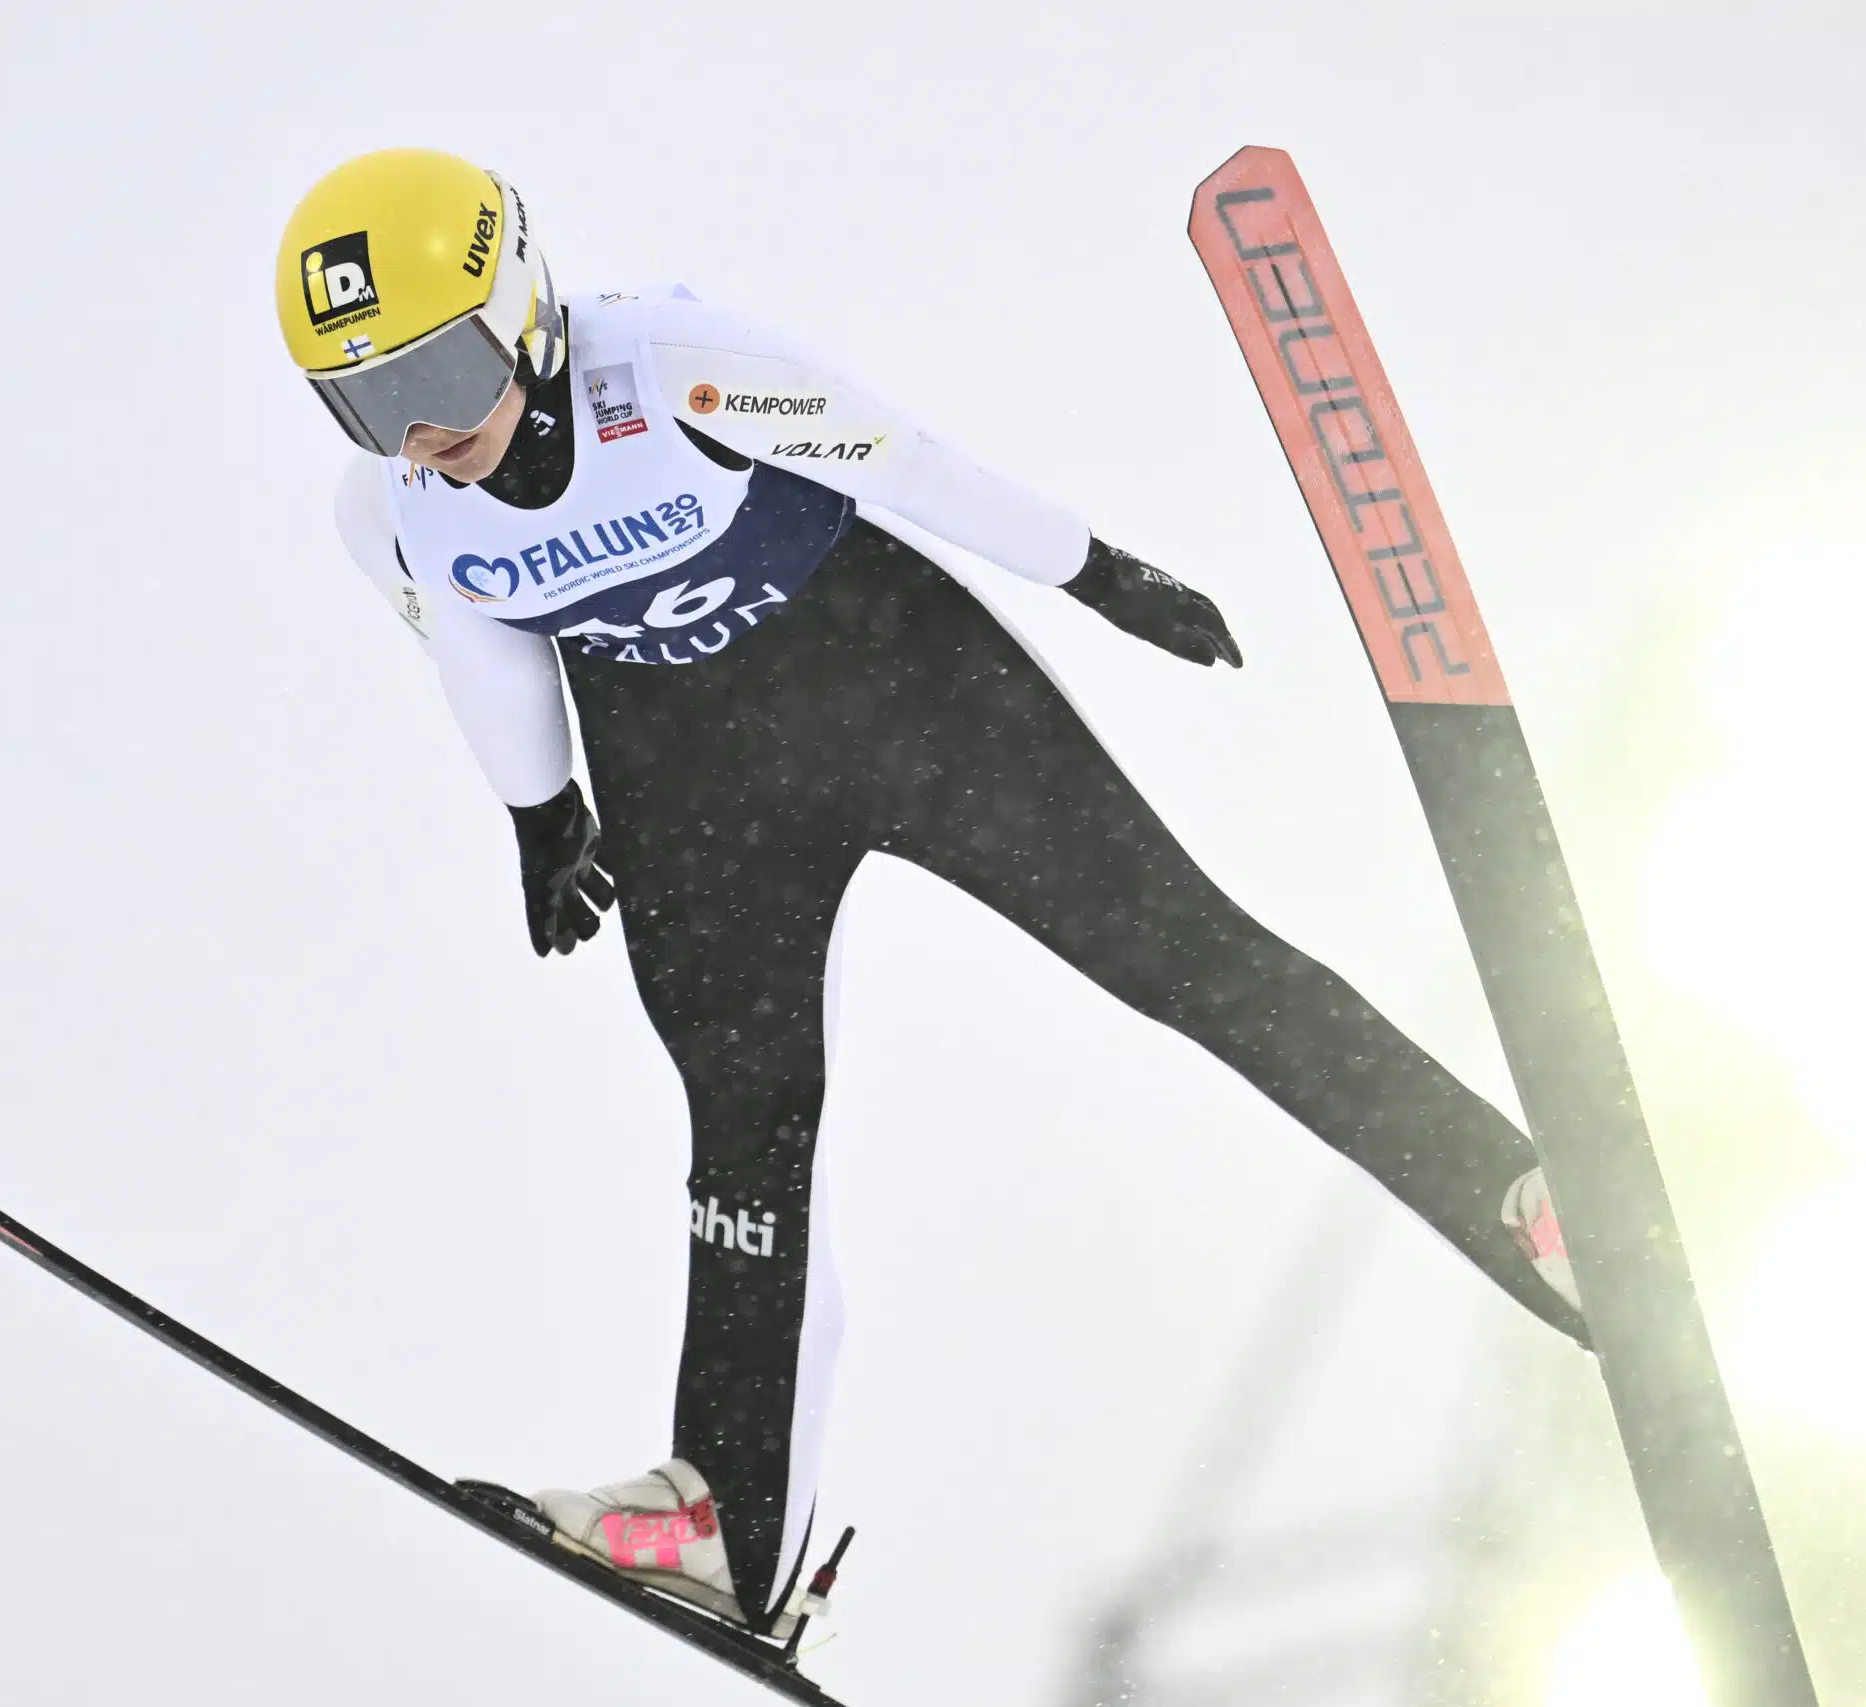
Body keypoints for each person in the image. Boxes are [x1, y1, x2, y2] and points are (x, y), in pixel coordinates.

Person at [272, 147, 1586, 1634]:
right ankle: (724, 1521)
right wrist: (541, 817)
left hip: (899, 700)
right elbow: (478, 639)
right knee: (742, 1122)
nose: (424, 432)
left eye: (439, 374)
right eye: (368, 402)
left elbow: (898, 459)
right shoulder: (389, 508)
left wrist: (1098, 572)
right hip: (695, 794)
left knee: (1184, 956)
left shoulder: (668, 364)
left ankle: (1524, 1205)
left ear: (518, 304)